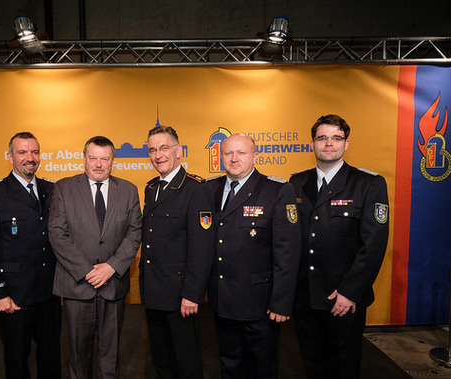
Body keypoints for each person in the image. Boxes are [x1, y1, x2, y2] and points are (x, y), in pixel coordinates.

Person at [289, 114, 389, 379]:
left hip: (342, 298)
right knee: (312, 363)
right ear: (312, 144)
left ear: (346, 144)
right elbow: (290, 239)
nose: (328, 143)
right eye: (322, 137)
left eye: (336, 137)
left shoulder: (368, 184)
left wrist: (350, 292)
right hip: (305, 295)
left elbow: (374, 244)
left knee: (343, 365)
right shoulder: (297, 182)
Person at [205, 134, 301, 378]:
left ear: (255, 156)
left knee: (262, 367)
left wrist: (281, 302)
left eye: (241, 153)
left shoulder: (277, 190)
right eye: (228, 153)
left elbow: (287, 252)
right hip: (222, 301)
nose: (234, 159)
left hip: (260, 305)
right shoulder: (209, 189)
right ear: (221, 157)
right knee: (229, 364)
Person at [48, 136, 142, 379]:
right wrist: (87, 271)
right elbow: (57, 234)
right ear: (84, 159)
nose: (99, 164)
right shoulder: (63, 188)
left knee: (110, 353)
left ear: (113, 161)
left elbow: (134, 233)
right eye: (93, 158)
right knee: (78, 354)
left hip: (113, 285)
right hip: (77, 285)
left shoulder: (129, 191)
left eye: (105, 158)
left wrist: (111, 267)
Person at [0, 132, 61, 378]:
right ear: (10, 156)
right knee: (16, 360)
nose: (29, 158)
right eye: (22, 152)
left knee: (52, 358)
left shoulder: (52, 190)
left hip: (49, 294)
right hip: (14, 296)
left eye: (34, 152)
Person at [140, 125, 213, 379]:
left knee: (187, 363)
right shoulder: (151, 188)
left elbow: (202, 248)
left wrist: (192, 294)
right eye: (152, 149)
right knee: (162, 361)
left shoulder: (196, 189)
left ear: (178, 151)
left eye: (164, 148)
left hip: (181, 297)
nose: (158, 155)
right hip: (153, 292)